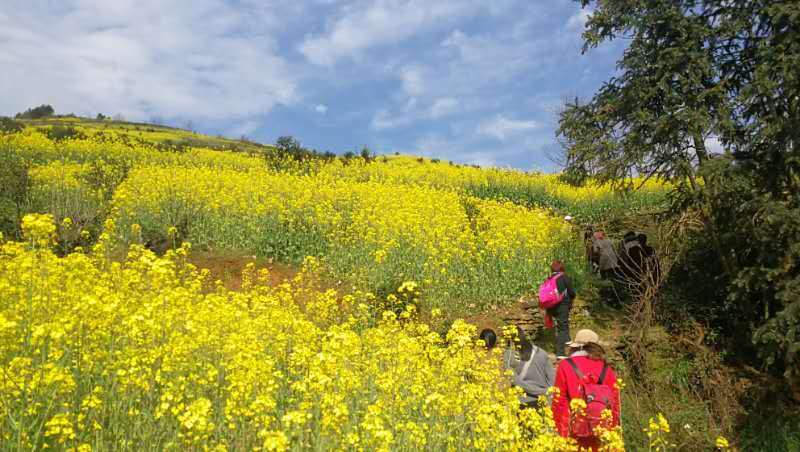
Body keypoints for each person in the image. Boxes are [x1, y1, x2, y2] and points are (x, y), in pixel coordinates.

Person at [552, 329, 620, 451]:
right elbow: (615, 405)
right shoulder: (607, 369)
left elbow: (559, 403)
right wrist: (613, 435)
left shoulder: (565, 365)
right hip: (601, 432)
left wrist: (560, 435)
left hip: (575, 432)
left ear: (575, 347)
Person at [503, 326, 555, 408]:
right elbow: (552, 379)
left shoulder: (509, 355)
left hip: (522, 401)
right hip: (542, 400)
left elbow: (515, 381)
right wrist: (545, 392)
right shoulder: (541, 352)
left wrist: (537, 391)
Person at [545, 260, 576, 358]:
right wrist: (572, 298)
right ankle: (560, 353)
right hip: (561, 306)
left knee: (563, 324)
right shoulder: (564, 277)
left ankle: (567, 340)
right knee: (562, 327)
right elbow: (571, 292)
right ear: (562, 268)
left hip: (550, 307)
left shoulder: (549, 278)